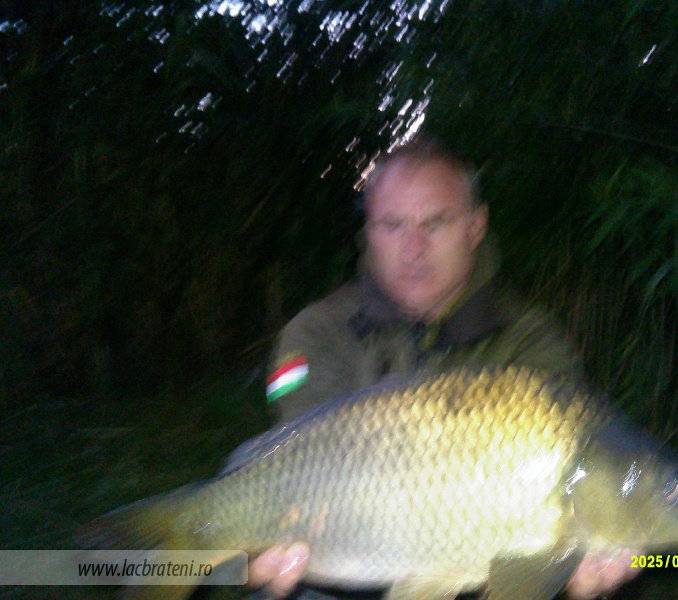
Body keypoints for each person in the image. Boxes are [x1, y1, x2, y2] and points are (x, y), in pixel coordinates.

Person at [250, 137, 639, 599]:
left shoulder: (531, 340)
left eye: (435, 223)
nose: (413, 248)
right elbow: (291, 470)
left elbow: (556, 529)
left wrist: (572, 572)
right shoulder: (314, 333)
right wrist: (237, 562)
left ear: (475, 226)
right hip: (337, 575)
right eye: (392, 225)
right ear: (368, 232)